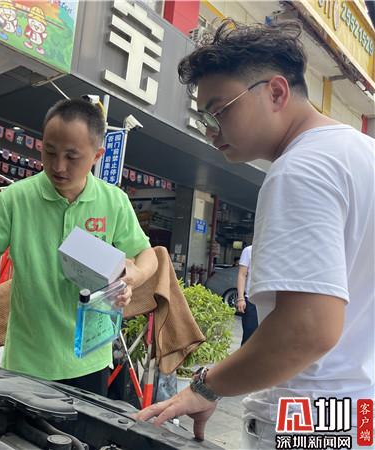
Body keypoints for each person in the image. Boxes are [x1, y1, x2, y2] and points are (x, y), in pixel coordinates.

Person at [135, 19, 374, 448]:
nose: (210, 130)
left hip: (311, 418)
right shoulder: (362, 154)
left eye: (219, 110)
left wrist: (206, 387)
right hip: (359, 413)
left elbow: (307, 330)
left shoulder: (301, 169)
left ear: (276, 92)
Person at [0, 99, 158, 396]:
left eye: (72, 156)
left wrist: (134, 276)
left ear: (96, 155)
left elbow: (146, 254)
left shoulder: (113, 201)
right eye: (49, 151)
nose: (58, 166)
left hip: (90, 360)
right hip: (27, 362)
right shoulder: (16, 198)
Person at [236, 245, 257, 345]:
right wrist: (241, 298)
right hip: (251, 299)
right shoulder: (249, 250)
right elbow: (242, 274)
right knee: (249, 336)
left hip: (271, 301)